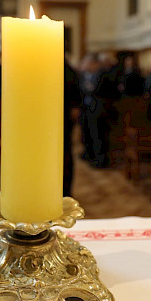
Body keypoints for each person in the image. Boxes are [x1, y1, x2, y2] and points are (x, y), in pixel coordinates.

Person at [95, 52, 121, 167]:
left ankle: (102, 160)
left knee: (102, 136)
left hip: (105, 108)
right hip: (107, 106)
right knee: (103, 136)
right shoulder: (110, 72)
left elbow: (98, 89)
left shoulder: (105, 73)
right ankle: (103, 158)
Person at [78, 54, 102, 163]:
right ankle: (88, 154)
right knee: (86, 132)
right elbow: (82, 89)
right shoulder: (83, 75)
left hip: (97, 109)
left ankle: (98, 158)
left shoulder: (100, 74)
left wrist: (88, 89)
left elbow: (94, 90)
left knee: (96, 134)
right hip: (85, 108)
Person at [64, 58, 81, 196]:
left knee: (65, 154)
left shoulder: (67, 69)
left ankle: (66, 191)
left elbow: (76, 91)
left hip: (64, 117)